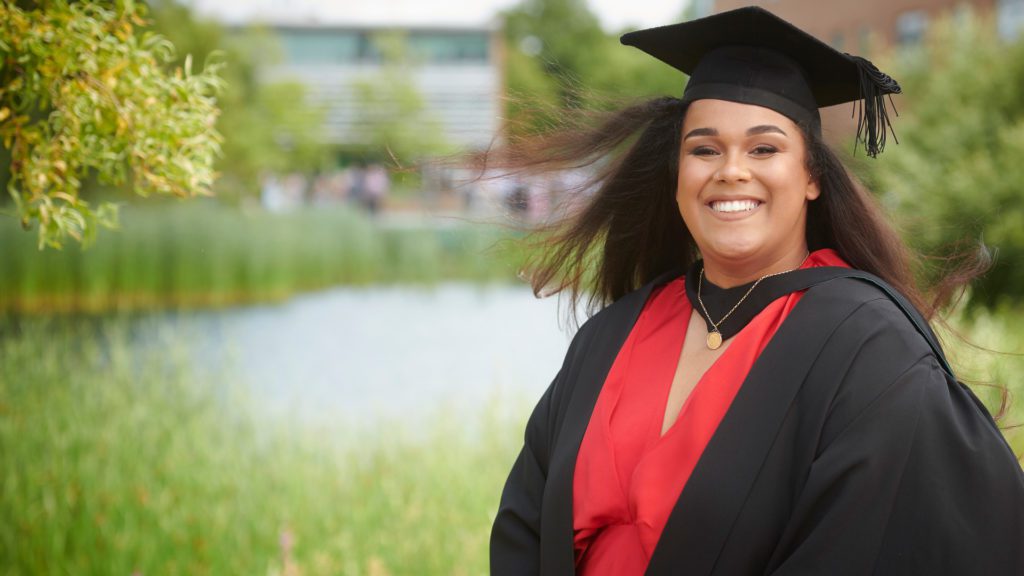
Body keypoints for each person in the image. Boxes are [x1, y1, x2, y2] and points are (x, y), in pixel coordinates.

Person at [488, 7, 1024, 576]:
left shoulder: (865, 343)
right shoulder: (615, 332)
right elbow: (525, 522)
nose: (731, 171)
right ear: (677, 177)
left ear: (812, 176)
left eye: (764, 149)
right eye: (704, 150)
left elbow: (878, 542)